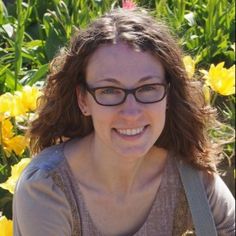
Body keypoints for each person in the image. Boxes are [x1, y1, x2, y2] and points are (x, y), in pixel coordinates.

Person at [13, 7, 235, 236]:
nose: (131, 112)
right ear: (83, 100)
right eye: (110, 90)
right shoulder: (47, 188)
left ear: (169, 94)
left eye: (148, 88)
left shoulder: (190, 178)